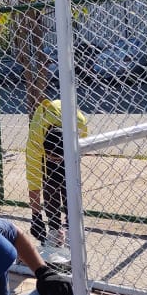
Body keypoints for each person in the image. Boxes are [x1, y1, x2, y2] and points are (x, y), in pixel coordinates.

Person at [26, 99, 88, 248]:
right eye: (51, 158)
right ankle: (54, 228)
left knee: (70, 185)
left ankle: (71, 226)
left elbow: (84, 144)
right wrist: (36, 216)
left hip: (69, 144)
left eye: (58, 159)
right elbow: (33, 177)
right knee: (50, 184)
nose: (56, 162)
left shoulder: (79, 125)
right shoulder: (36, 141)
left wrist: (67, 158)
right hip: (44, 127)